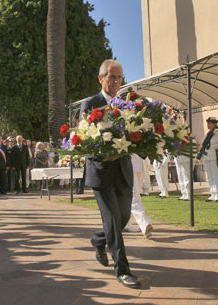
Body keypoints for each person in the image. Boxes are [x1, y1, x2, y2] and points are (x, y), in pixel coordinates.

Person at [81, 59, 140, 289]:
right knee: (113, 222)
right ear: (101, 78)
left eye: (119, 77)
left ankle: (97, 240)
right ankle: (123, 270)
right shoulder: (90, 105)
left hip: (123, 171)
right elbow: (86, 139)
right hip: (101, 173)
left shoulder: (126, 104)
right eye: (112, 77)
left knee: (123, 218)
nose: (116, 81)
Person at [199, 117, 218, 202]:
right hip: (207, 157)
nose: (208, 125)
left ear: (214, 124)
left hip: (215, 157)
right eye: (207, 123)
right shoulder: (207, 134)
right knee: (210, 177)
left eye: (210, 123)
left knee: (216, 177)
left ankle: (217, 194)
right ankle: (212, 194)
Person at [129, 154, 154, 238]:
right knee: (134, 196)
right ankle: (144, 223)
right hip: (128, 164)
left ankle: (126, 223)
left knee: (135, 195)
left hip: (141, 164)